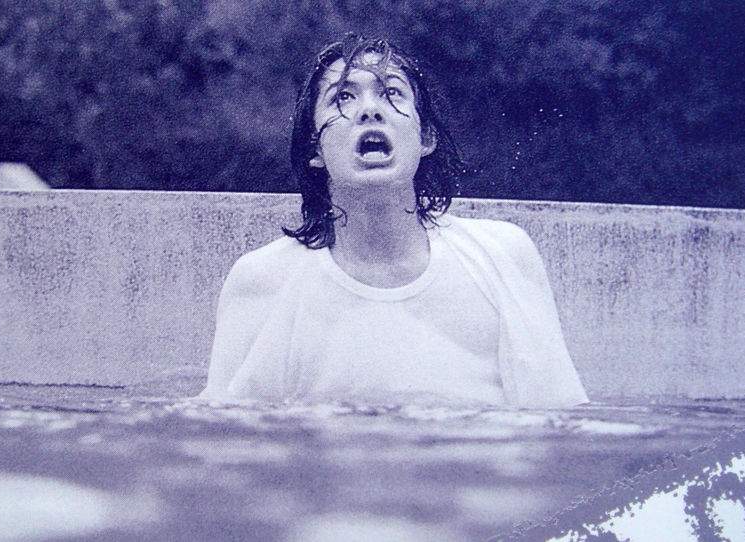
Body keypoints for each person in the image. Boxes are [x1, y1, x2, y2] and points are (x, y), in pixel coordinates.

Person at [199, 35, 588, 408]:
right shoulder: (263, 280)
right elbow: (224, 437)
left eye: (391, 93)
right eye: (343, 97)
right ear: (315, 147)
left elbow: (559, 424)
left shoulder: (503, 257)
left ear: (425, 137)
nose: (369, 110)